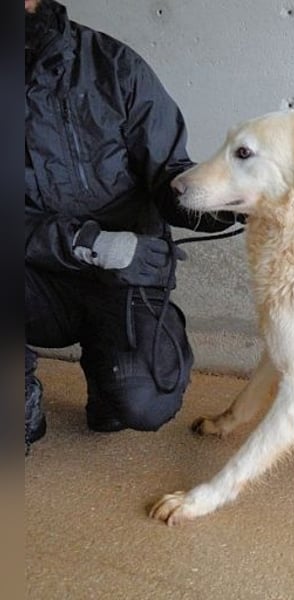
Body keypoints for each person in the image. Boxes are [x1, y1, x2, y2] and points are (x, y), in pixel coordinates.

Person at [25, 0, 241, 452]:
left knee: (143, 400)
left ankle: (110, 374)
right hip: (33, 279)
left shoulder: (113, 65)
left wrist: (227, 204)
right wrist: (89, 243)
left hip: (125, 276)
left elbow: (169, 174)